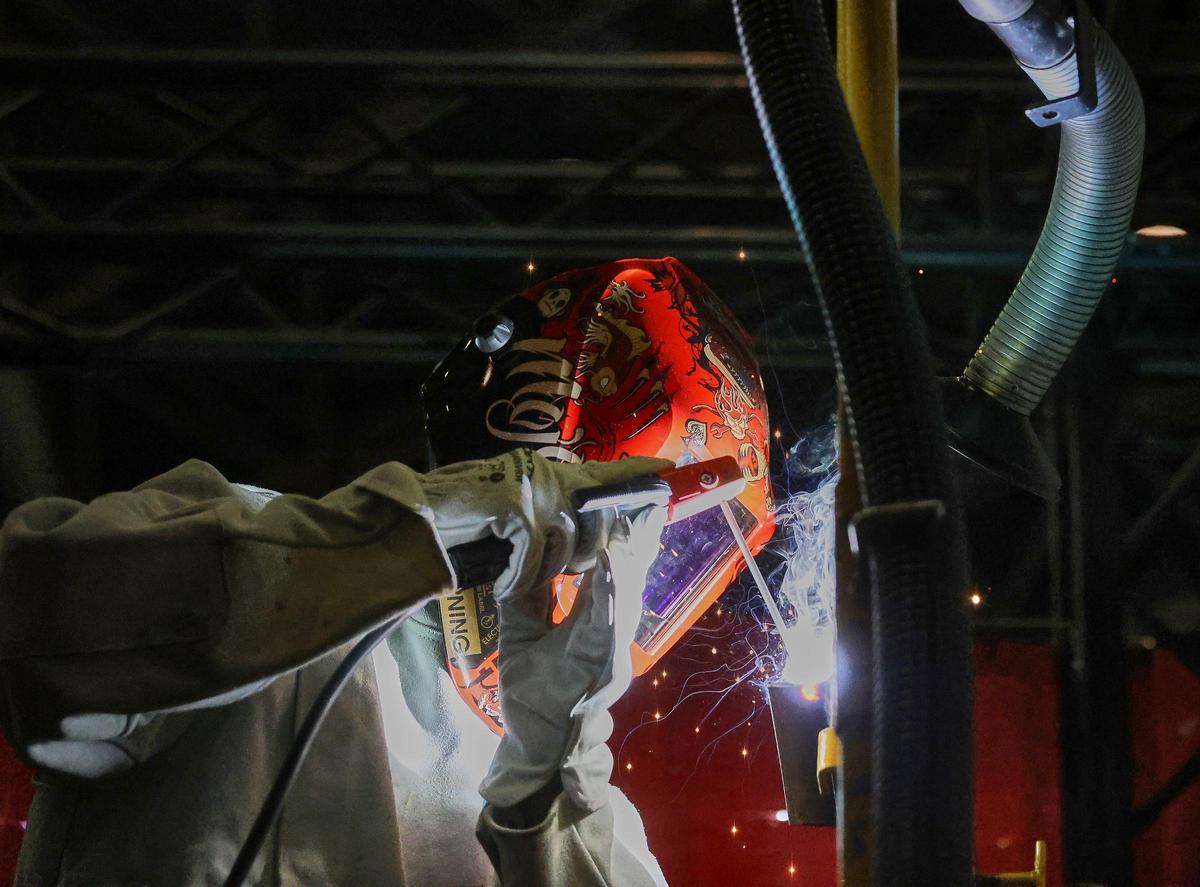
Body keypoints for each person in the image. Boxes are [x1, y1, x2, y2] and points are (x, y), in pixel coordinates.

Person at [0, 256, 774, 886]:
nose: (610, 573)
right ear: (537, 463)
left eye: (661, 565)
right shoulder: (245, 543)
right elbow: (38, 643)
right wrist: (427, 530)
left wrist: (546, 787)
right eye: (615, 523)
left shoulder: (594, 824)